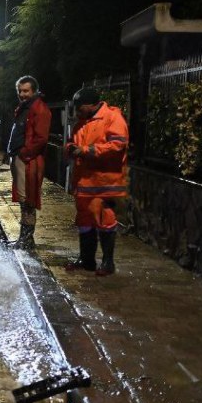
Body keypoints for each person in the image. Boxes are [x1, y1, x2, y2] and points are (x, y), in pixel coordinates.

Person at [65, 87, 128, 276]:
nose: (77, 112)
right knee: (85, 220)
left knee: (104, 219)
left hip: (103, 181)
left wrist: (86, 151)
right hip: (85, 182)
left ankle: (108, 263)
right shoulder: (83, 122)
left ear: (90, 105)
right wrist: (70, 148)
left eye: (79, 108)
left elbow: (118, 145)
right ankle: (87, 260)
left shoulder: (112, 117)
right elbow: (72, 141)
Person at [7, 75, 51, 248]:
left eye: (26, 91)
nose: (22, 94)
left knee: (28, 200)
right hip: (22, 158)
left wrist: (24, 154)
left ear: (34, 91)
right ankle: (25, 239)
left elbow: (41, 139)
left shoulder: (39, 109)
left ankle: (26, 240)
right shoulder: (25, 107)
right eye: (20, 91)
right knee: (24, 199)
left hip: (28, 160)